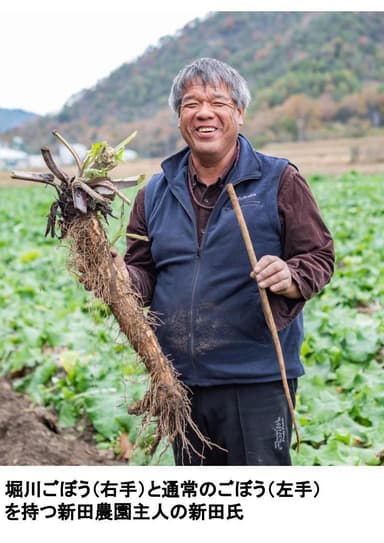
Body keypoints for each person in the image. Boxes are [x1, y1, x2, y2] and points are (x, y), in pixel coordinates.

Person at [113, 57, 334, 465]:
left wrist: (290, 275)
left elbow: (318, 256)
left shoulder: (279, 179)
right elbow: (142, 272)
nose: (204, 113)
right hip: (179, 382)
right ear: (179, 117)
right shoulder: (154, 192)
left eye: (218, 102)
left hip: (257, 379)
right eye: (191, 103)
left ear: (240, 113)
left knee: (258, 509)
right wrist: (118, 276)